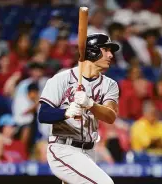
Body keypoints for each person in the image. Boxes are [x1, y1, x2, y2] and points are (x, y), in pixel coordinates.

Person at [38, 33, 119, 184]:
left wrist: (91, 104)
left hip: (89, 151)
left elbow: (110, 116)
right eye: (106, 50)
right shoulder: (61, 79)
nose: (111, 55)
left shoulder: (110, 85)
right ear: (92, 51)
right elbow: (43, 114)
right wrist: (66, 112)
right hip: (63, 148)